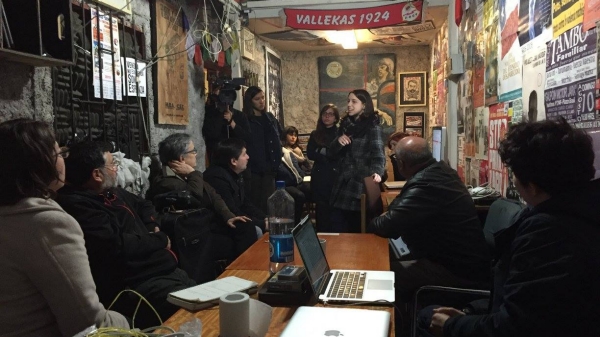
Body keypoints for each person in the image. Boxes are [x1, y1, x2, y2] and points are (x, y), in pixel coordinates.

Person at [420, 119, 600, 337]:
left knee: (427, 317)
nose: (513, 180)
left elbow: (515, 327)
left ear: (532, 186)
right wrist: (470, 312)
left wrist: (452, 325)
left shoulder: (548, 233)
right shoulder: (580, 212)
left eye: (513, 173)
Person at [0, 119, 129, 337]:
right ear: (40, 164)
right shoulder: (47, 223)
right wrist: (127, 322)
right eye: (59, 154)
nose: (63, 161)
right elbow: (89, 324)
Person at [57, 141, 196, 329]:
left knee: (206, 297)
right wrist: (160, 239)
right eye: (113, 164)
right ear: (97, 174)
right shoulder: (78, 205)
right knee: (195, 315)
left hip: (164, 269)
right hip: (137, 283)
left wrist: (152, 225)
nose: (116, 169)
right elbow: (117, 244)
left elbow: (144, 204)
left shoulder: (111, 192)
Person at [369, 136, 490, 300]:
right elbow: (395, 211)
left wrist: (378, 219)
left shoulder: (425, 183)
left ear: (402, 164)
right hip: (463, 264)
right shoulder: (441, 171)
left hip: (454, 271)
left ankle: (402, 324)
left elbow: (386, 225)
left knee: (380, 277)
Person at [147, 133, 257, 257]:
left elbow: (213, 194)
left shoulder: (188, 175)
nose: (196, 155)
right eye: (193, 151)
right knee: (243, 233)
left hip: (205, 223)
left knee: (245, 226)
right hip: (194, 232)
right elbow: (194, 197)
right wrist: (194, 173)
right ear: (182, 158)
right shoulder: (166, 182)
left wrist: (228, 216)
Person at [329, 89, 386, 233]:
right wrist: (338, 142)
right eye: (348, 101)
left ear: (364, 105)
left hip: (358, 185)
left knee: (354, 228)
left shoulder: (372, 126)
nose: (349, 105)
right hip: (341, 183)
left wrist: (377, 172)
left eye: (354, 101)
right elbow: (332, 153)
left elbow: (378, 155)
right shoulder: (345, 124)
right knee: (338, 226)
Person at [203, 138, 267, 233]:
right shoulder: (216, 178)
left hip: (235, 219)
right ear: (233, 161)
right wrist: (262, 224)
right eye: (244, 154)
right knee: (255, 230)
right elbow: (232, 210)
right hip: (220, 225)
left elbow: (245, 203)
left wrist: (265, 218)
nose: (248, 157)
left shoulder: (234, 174)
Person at [242, 86, 283, 214]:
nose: (261, 101)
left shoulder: (269, 117)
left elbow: (279, 136)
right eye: (257, 99)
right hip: (255, 169)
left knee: (270, 204)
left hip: (271, 167)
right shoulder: (247, 120)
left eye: (263, 98)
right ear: (250, 101)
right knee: (258, 203)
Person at [307, 104, 340, 232]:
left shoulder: (339, 133)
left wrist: (322, 151)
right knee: (321, 210)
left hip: (335, 175)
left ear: (335, 118)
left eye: (330, 114)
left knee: (334, 210)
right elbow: (310, 153)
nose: (327, 116)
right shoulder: (315, 134)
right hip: (320, 175)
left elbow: (338, 154)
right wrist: (326, 153)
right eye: (324, 113)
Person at [202, 84, 250, 161]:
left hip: (237, 159)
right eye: (223, 94)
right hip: (217, 158)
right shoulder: (210, 113)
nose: (226, 97)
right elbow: (211, 134)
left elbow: (246, 138)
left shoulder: (240, 116)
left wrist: (232, 122)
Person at [277, 143, 310, 224]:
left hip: (295, 180)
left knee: (311, 188)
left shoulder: (288, 153)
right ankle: (296, 222)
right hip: (285, 183)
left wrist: (304, 176)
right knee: (299, 196)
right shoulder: (277, 155)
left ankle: (308, 222)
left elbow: (297, 168)